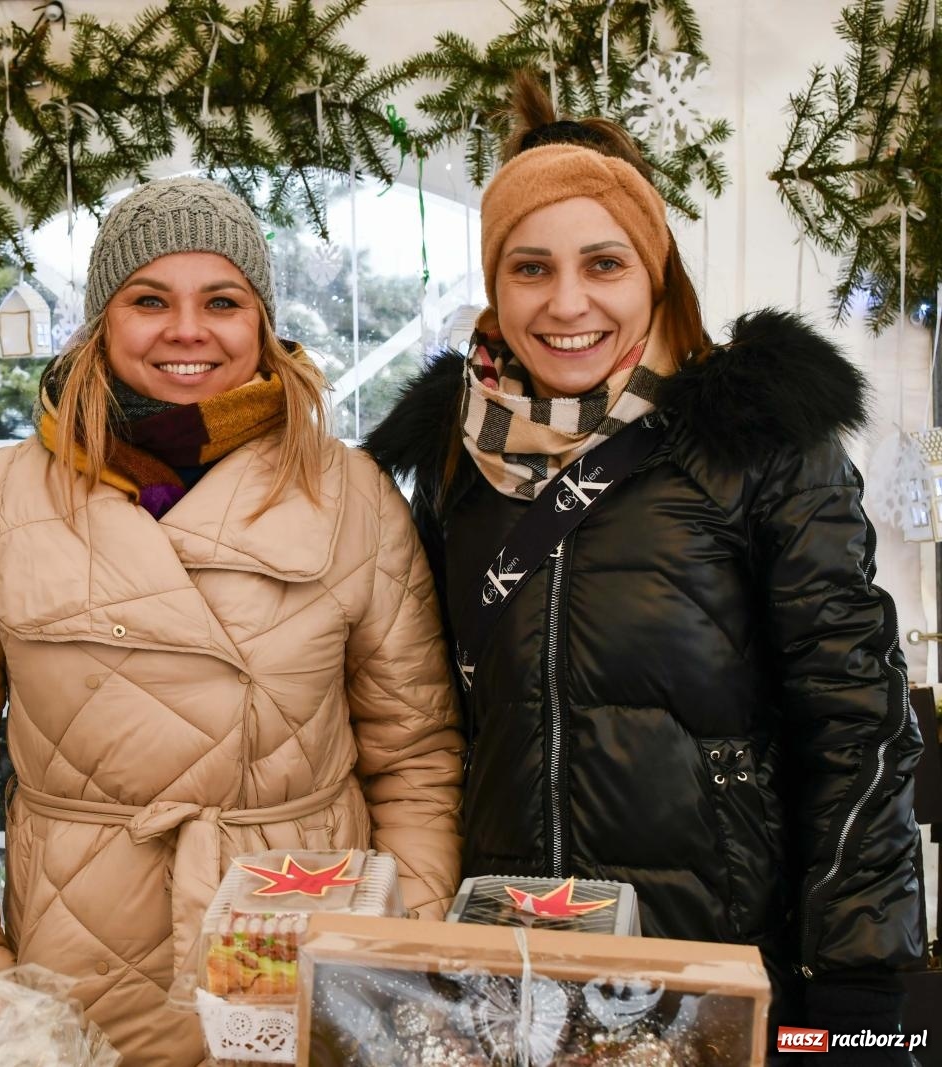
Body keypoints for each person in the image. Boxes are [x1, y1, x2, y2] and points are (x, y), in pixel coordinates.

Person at [365, 77, 925, 1054]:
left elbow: (855, 719)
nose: (567, 301)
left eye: (603, 263)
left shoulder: (760, 438)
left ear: (655, 273)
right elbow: (427, 722)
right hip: (513, 979)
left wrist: (858, 974)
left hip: (712, 964)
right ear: (496, 284)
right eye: (530, 267)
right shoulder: (454, 454)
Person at [0, 177, 463, 1065]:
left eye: (221, 300)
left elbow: (413, 751)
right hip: (72, 969)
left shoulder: (350, 496)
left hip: (303, 951)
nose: (187, 330)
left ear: (259, 321)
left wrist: (393, 947)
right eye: (150, 299)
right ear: (102, 319)